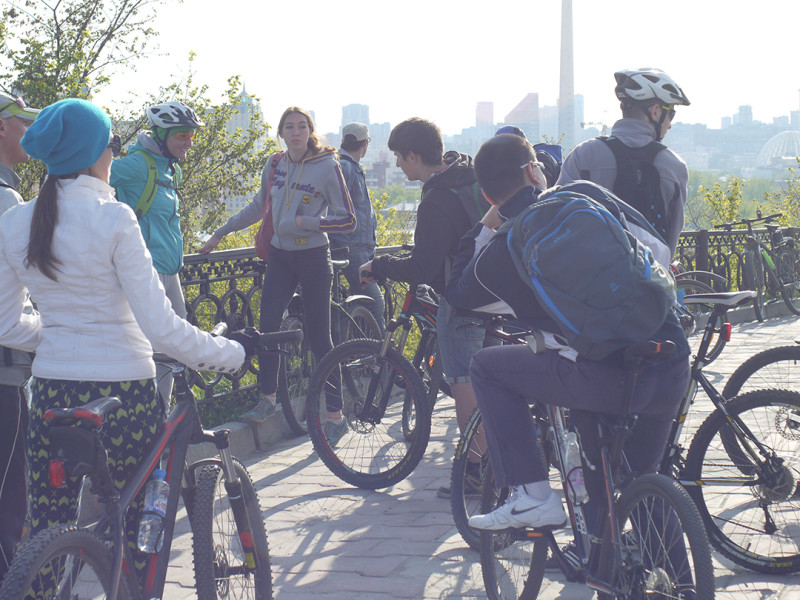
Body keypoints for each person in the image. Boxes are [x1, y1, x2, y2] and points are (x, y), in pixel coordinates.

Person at [0, 98, 256, 586]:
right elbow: (161, 328)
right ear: (97, 151)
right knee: (140, 530)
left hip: (52, 392)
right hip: (126, 397)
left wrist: (55, 333)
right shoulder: (115, 218)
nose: (114, 154)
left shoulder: (15, 222)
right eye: (111, 145)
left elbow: (7, 326)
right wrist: (232, 353)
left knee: (47, 539)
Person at [444, 133, 690, 531]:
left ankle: (532, 496)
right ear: (533, 170)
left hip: (603, 378)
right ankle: (678, 585)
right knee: (646, 485)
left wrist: (486, 228)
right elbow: (658, 254)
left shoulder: (501, 251)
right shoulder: (586, 195)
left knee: (487, 367)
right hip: (669, 357)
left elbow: (460, 295)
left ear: (489, 198)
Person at [199, 107, 355, 431]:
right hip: (280, 258)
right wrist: (219, 234)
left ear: (310, 131)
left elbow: (348, 219)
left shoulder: (327, 166)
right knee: (268, 328)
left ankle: (335, 415)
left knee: (319, 338)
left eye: (301, 127)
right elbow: (259, 206)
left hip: (313, 257)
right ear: (281, 132)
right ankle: (267, 400)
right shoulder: (275, 164)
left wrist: (307, 222)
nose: (295, 132)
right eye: (289, 127)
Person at [359, 117, 488, 499]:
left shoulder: (436, 199)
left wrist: (379, 266)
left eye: (400, 157)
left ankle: (476, 470)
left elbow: (423, 268)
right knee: (491, 384)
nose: (398, 165)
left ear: (414, 156)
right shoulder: (467, 176)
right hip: (498, 296)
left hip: (463, 301)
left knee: (464, 385)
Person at [110, 101, 205, 403]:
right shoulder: (139, 165)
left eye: (191, 136)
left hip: (170, 271)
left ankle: (160, 422)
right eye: (181, 136)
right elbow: (92, 174)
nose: (189, 142)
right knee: (156, 350)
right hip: (146, 273)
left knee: (174, 347)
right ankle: (147, 420)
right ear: (162, 135)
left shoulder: (170, 169)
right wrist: (104, 151)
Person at [557, 68, 690, 258]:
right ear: (655, 111)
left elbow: (558, 218)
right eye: (671, 114)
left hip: (585, 280)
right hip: (651, 281)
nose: (669, 124)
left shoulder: (582, 155)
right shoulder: (674, 166)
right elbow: (671, 239)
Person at [0, 93, 39, 583]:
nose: (31, 130)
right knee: (9, 501)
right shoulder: (6, 199)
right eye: (22, 121)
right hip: (4, 373)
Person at [328, 122, 385, 333]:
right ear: (364, 144)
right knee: (374, 303)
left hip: (357, 248)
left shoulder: (347, 165)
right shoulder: (345, 166)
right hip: (352, 249)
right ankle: (381, 359)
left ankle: (362, 356)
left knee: (362, 305)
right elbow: (336, 209)